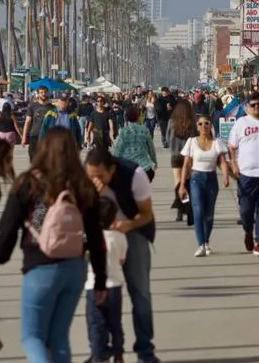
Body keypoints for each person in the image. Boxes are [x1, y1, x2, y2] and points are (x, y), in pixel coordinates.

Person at [0, 128, 107, 363]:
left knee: (33, 337)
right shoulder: (82, 186)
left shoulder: (29, 183)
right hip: (74, 268)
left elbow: (8, 228)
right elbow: (95, 235)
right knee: (59, 337)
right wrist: (100, 278)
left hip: (40, 267)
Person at [85, 148, 159, 363]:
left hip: (132, 231)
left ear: (112, 170)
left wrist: (128, 225)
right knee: (97, 295)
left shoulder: (134, 174)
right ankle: (100, 350)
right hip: (99, 234)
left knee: (140, 293)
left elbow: (146, 214)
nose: (95, 180)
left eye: (100, 176)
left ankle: (145, 350)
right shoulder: (84, 178)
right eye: (91, 176)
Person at [228, 92, 259, 256]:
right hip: (246, 174)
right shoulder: (241, 123)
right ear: (248, 107)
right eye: (253, 105)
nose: (257, 107)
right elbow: (232, 145)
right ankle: (248, 230)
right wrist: (233, 164)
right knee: (246, 211)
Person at [179, 114, 229, 257]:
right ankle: (200, 245)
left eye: (206, 123)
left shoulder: (217, 142)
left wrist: (225, 176)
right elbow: (186, 165)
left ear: (211, 125)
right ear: (197, 127)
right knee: (198, 211)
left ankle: (206, 241)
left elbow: (223, 162)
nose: (204, 127)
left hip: (211, 179)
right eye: (200, 124)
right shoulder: (191, 142)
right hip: (196, 179)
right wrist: (182, 185)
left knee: (209, 214)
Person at [85, 197, 127, 363]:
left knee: (95, 325)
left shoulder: (88, 237)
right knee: (115, 324)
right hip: (115, 285)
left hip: (92, 287)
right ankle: (118, 355)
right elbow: (122, 259)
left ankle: (98, 355)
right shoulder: (119, 237)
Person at [167, 100, 196, 222]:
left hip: (175, 155)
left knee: (178, 183)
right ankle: (189, 210)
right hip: (188, 156)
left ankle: (179, 212)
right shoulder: (192, 123)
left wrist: (173, 146)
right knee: (187, 182)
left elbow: (168, 138)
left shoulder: (172, 122)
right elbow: (195, 139)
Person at [112, 106, 158, 181]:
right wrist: (154, 162)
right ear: (138, 117)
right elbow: (151, 149)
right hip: (144, 167)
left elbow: (117, 151)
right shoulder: (145, 130)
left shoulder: (123, 132)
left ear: (126, 117)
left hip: (127, 168)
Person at [21, 85, 54, 160]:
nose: (43, 94)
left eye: (45, 92)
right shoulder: (32, 106)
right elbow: (27, 122)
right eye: (41, 92)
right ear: (38, 94)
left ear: (48, 93)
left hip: (47, 136)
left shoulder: (52, 107)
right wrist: (24, 137)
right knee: (33, 158)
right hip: (34, 135)